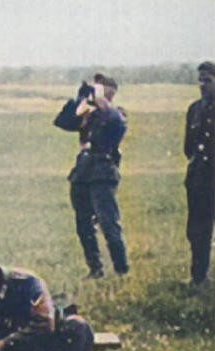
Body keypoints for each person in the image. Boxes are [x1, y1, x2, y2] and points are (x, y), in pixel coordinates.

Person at [54, 73, 130, 278]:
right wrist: (80, 99)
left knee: (108, 223)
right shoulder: (87, 114)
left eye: (101, 88)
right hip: (83, 172)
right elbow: (62, 122)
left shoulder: (115, 114)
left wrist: (99, 100)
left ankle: (121, 269)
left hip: (103, 172)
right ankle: (95, 268)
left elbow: (117, 123)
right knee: (83, 224)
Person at [185, 61, 215, 288]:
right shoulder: (194, 109)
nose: (202, 85)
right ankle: (199, 277)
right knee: (198, 230)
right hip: (199, 179)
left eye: (208, 80)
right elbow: (188, 148)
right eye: (200, 80)